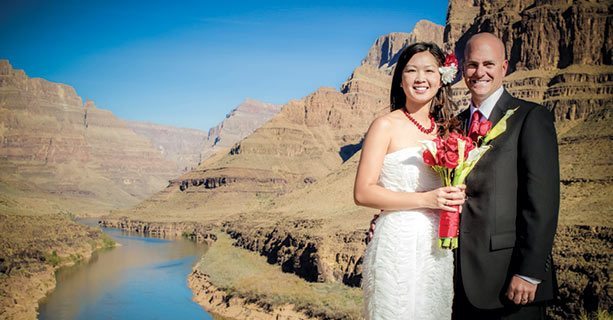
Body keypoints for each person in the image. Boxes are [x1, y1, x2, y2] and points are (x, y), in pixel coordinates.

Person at [354, 42, 466, 320]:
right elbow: (363, 192)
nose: (420, 78)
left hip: (436, 247)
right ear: (400, 80)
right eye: (411, 70)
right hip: (397, 243)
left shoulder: (447, 132)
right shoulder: (385, 125)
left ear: (442, 79)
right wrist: (425, 200)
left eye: (429, 70)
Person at [451, 32, 560, 319]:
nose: (479, 72)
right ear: (463, 69)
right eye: (472, 64)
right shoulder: (454, 126)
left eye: (488, 63)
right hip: (458, 282)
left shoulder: (530, 118)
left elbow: (542, 201)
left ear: (504, 67)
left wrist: (530, 271)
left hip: (512, 281)